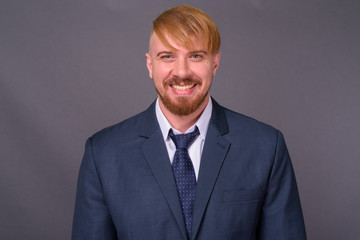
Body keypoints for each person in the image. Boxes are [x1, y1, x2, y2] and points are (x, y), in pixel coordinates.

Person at [72, 5, 306, 240]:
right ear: (150, 65)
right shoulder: (103, 154)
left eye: (195, 56)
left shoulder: (265, 147)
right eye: (167, 56)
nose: (182, 72)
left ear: (215, 63)